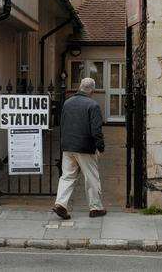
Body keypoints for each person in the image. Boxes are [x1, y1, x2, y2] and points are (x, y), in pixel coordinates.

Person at [53, 78, 106, 220]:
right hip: (85, 148)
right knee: (92, 178)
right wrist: (100, 146)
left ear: (80, 87)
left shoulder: (67, 103)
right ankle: (96, 208)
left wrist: (64, 143)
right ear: (92, 90)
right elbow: (96, 130)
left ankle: (60, 204)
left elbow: (62, 124)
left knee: (67, 176)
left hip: (68, 146)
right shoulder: (93, 105)